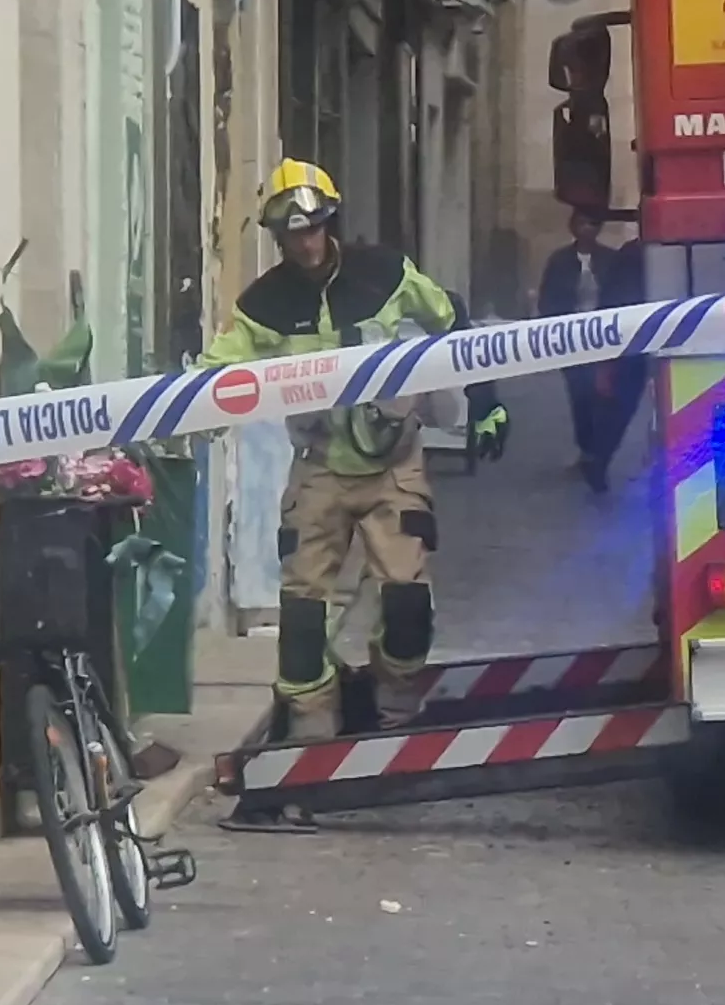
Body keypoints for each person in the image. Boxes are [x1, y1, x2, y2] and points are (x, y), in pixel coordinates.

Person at [204, 160, 508, 820]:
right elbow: (217, 372)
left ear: (329, 223)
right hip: (319, 467)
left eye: (313, 228)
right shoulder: (263, 306)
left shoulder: (385, 274)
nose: (306, 243)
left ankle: (393, 714)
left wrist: (486, 402)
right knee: (302, 614)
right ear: (278, 239)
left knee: (406, 602)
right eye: (293, 235)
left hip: (393, 464)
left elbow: (451, 322)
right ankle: (311, 741)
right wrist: (166, 423)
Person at [536, 206, 645, 492]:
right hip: (570, 339)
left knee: (602, 396)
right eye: (582, 223)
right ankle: (587, 449)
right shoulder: (560, 261)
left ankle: (596, 453)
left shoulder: (612, 258)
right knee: (579, 395)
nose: (587, 229)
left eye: (592, 224)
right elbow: (548, 299)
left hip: (604, 337)